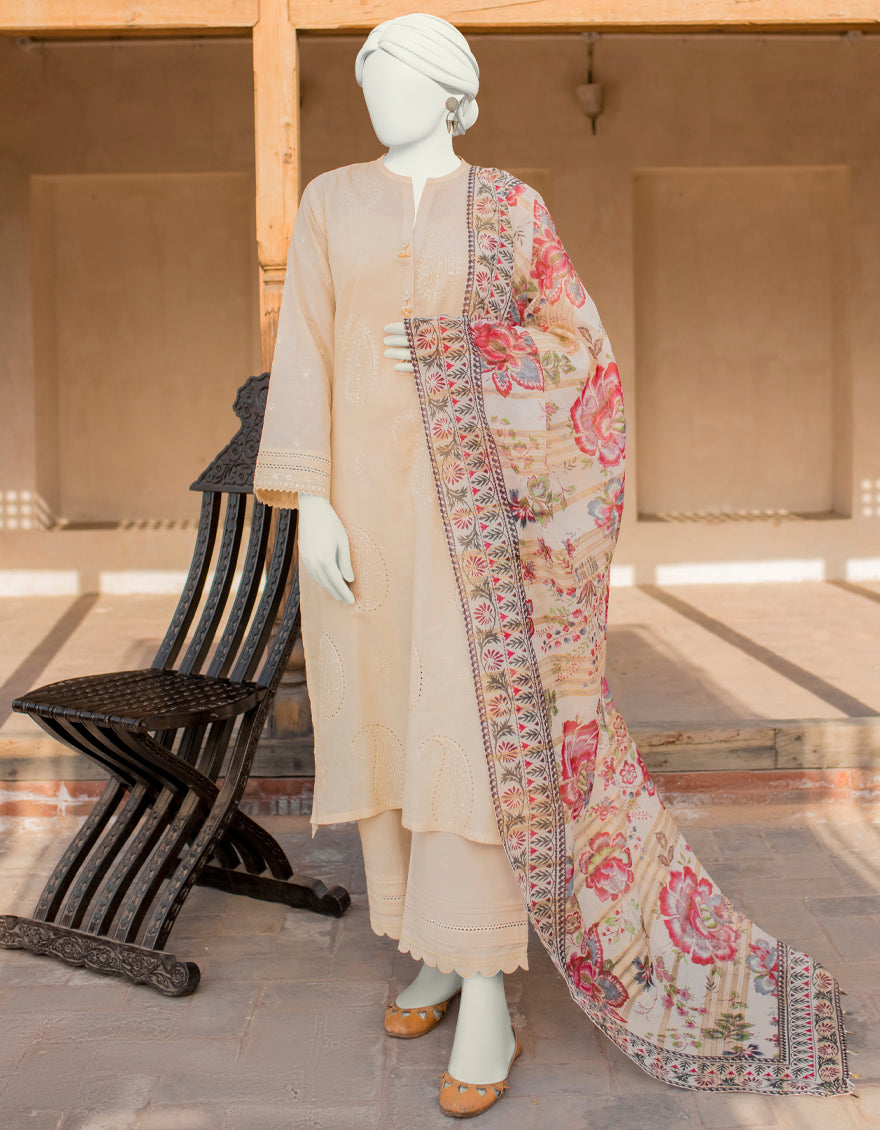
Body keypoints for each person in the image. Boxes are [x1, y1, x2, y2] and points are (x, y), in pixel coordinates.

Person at [254, 12, 854, 1119]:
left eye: (399, 76)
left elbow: (584, 362)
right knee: (385, 728)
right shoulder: (331, 200)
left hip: (484, 541)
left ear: (450, 93)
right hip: (364, 525)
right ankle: (430, 949)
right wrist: (313, 505)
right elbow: (305, 351)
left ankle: (485, 983)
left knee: (467, 745)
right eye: (368, 75)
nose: (379, 95)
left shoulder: (511, 209)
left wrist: (459, 349)